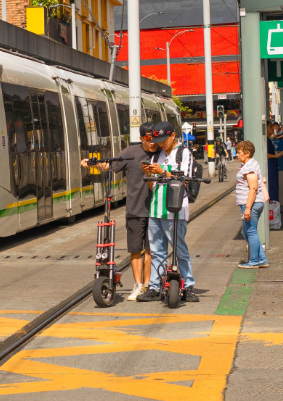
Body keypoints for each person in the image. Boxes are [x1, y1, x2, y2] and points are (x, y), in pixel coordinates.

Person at [81, 121, 160, 301]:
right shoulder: (131, 152)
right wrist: (93, 163)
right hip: (135, 208)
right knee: (135, 249)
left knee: (150, 250)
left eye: (155, 137)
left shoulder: (162, 153)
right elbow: (110, 166)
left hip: (156, 209)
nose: (152, 142)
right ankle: (138, 285)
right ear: (141, 138)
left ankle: (149, 285)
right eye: (148, 138)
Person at [138, 121, 199, 303]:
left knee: (180, 249)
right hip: (156, 209)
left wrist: (163, 171)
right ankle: (154, 287)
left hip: (176, 210)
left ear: (173, 136)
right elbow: (151, 186)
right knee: (157, 251)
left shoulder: (183, 153)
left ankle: (188, 286)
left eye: (164, 139)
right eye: (159, 140)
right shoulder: (156, 156)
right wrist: (149, 173)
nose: (161, 143)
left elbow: (185, 180)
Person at [234, 141, 269, 269]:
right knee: (246, 231)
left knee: (251, 231)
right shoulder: (248, 165)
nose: (237, 155)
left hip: (251, 204)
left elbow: (253, 188)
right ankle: (262, 259)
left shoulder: (250, 167)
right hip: (252, 204)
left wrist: (248, 208)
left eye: (239, 152)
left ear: (247, 153)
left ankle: (254, 261)